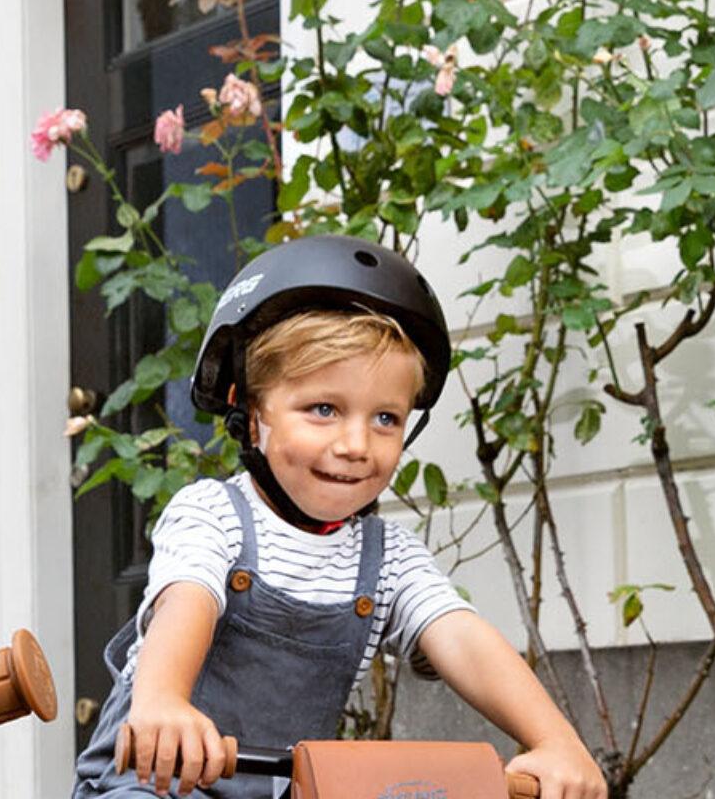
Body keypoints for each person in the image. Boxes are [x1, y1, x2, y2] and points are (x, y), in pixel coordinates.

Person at [73, 235, 607, 799]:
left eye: (385, 418)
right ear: (253, 415)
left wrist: (556, 740)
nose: (356, 444)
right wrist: (162, 702)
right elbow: (187, 602)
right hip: (150, 783)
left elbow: (461, 638)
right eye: (323, 410)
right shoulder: (213, 516)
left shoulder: (388, 560)